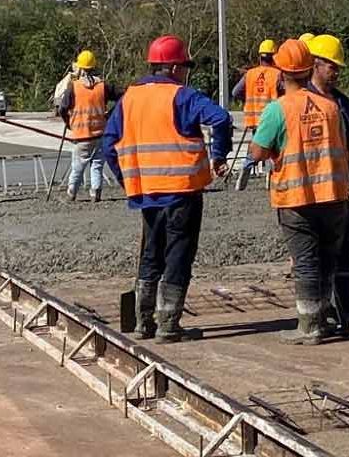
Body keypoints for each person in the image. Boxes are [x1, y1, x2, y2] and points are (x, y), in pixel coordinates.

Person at [103, 35, 232, 342]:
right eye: (184, 66)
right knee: (178, 255)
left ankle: (143, 322)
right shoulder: (182, 96)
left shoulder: (130, 98)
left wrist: (127, 179)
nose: (186, 72)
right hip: (182, 192)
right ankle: (169, 324)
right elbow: (221, 118)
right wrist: (219, 155)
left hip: (147, 192)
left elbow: (108, 145)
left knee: (151, 253)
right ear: (174, 67)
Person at [249, 38, 349, 345]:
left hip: (297, 199)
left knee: (306, 262)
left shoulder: (277, 110)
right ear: (310, 69)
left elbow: (257, 152)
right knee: (327, 261)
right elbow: (342, 145)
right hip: (333, 196)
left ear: (281, 73)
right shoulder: (331, 107)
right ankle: (325, 318)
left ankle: (309, 326)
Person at [306, 34, 349, 314]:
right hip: (314, 185)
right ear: (316, 64)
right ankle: (321, 305)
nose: (336, 73)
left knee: (347, 242)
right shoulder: (302, 101)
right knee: (319, 246)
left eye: (338, 68)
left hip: (343, 182)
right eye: (332, 67)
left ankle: (344, 298)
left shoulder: (342, 102)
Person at [60, 50, 120, 202]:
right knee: (97, 165)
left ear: (80, 68)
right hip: (100, 133)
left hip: (81, 135)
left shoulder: (74, 87)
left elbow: (62, 108)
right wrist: (110, 114)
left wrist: (68, 122)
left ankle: (71, 193)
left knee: (78, 167)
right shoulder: (102, 86)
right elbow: (123, 96)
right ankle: (96, 192)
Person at [232, 39, 282, 190]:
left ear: (260, 56)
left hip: (254, 118)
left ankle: (246, 166)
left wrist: (248, 97)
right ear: (274, 57)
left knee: (258, 147)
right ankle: (269, 176)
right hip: (272, 118)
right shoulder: (277, 74)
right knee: (274, 148)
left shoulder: (250, 74)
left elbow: (235, 92)